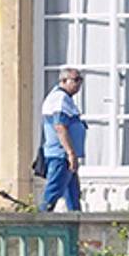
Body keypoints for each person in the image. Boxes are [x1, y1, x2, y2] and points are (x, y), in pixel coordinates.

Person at [40, 67, 86, 212]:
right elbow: (60, 127)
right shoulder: (59, 98)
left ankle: (76, 228)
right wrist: (70, 153)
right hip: (61, 156)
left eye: (81, 80)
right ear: (64, 81)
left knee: (73, 196)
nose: (79, 84)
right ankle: (37, 224)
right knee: (52, 194)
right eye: (76, 80)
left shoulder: (65, 98)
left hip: (65, 156)